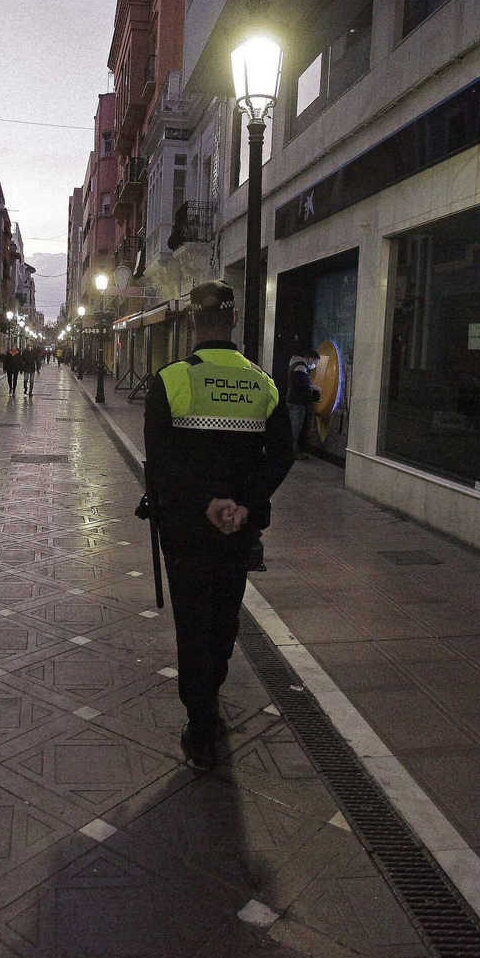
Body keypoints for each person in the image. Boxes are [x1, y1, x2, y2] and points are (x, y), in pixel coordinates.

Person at [143, 280, 295, 769]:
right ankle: (212, 694)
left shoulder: (170, 381)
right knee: (225, 614)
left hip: (187, 527)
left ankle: (201, 720)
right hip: (239, 528)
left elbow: (161, 463)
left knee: (192, 619)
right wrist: (244, 505)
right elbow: (282, 457)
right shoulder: (263, 384)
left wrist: (206, 502)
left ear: (192, 321)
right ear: (233, 321)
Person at [286, 348, 322, 459]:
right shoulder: (301, 366)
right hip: (297, 401)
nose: (314, 365)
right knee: (295, 427)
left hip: (292, 399)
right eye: (315, 362)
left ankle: (291, 451)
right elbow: (300, 383)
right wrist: (311, 386)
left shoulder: (295, 363)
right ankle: (293, 452)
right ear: (310, 359)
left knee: (293, 427)